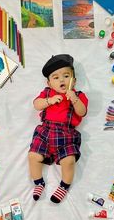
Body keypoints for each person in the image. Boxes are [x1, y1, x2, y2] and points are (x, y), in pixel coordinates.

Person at [28, 54, 88, 203]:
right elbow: (36, 105)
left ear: (74, 81)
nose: (61, 80)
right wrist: (49, 101)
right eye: (56, 77)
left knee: (69, 161)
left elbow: (82, 112)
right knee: (33, 157)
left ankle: (64, 185)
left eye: (66, 76)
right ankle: (38, 182)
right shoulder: (47, 93)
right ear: (49, 83)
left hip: (66, 134)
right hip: (46, 131)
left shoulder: (79, 96)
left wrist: (73, 98)